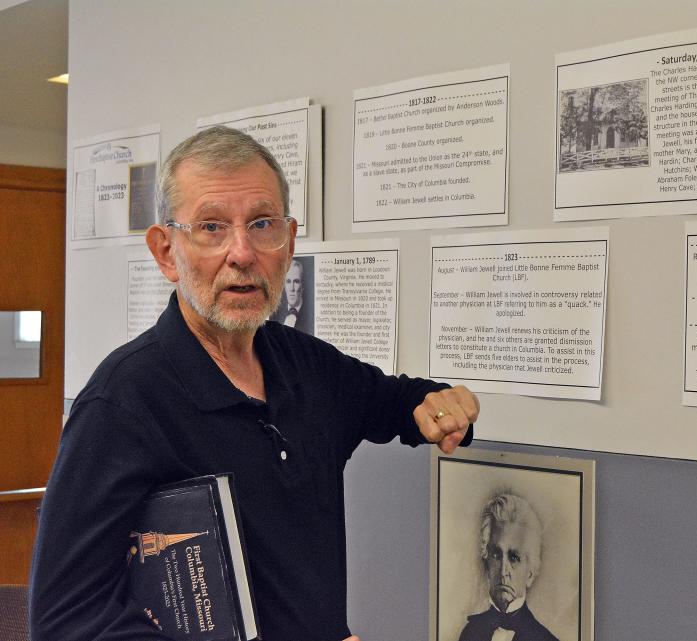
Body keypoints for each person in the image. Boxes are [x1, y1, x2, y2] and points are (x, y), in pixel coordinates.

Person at [29, 125, 479, 641]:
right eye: (212, 227)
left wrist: (439, 404)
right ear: (166, 252)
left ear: (288, 242)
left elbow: (396, 402)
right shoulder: (124, 401)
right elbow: (68, 621)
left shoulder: (308, 368)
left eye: (262, 224)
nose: (242, 253)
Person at [458, 494, 558, 641]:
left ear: (530, 573)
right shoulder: (469, 633)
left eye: (514, 558)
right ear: (487, 564)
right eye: (496, 555)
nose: (503, 571)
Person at [270, 257, 313, 333]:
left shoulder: (311, 317)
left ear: (302, 286)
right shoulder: (274, 315)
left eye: (296, 281)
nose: (292, 288)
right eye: (288, 281)